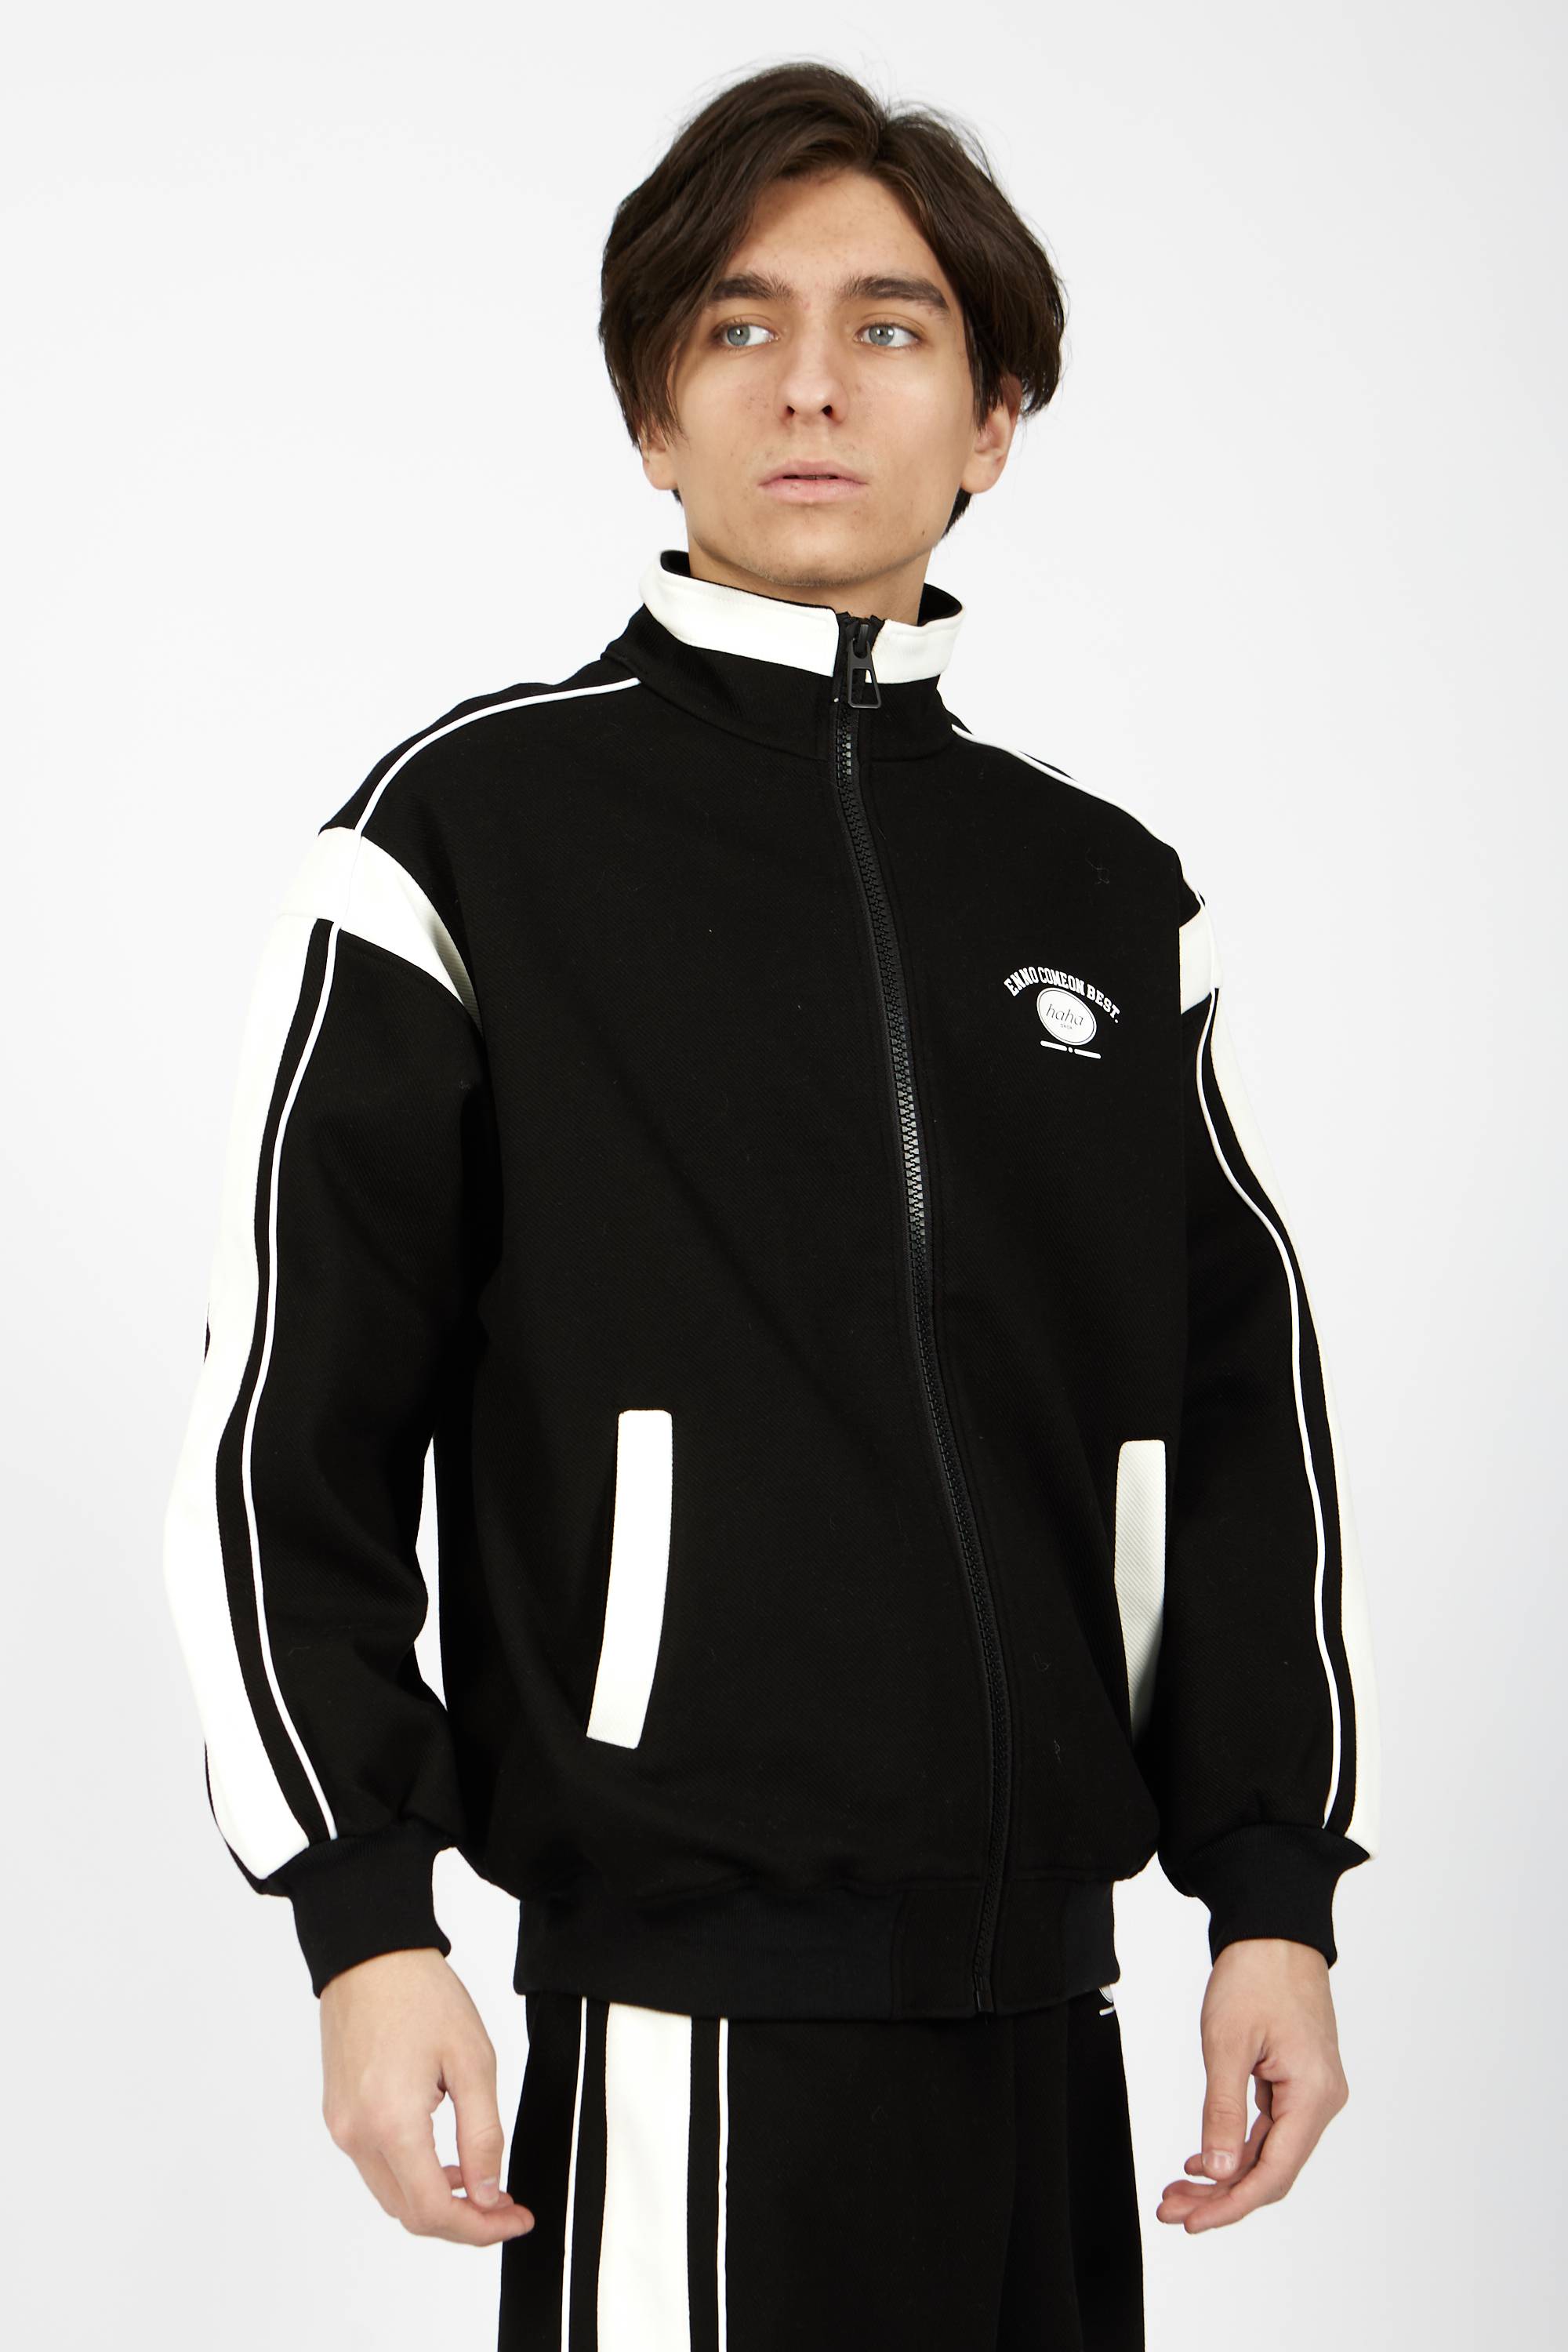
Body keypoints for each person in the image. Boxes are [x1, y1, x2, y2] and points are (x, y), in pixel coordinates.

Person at [161, 58, 1381, 2350]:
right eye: (739, 325)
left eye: (890, 327)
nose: (812, 383)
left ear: (993, 419)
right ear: (654, 412)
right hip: (687, 2018)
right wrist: (366, 1918)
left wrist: (1273, 1895)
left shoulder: (1103, 896)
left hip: (1049, 2013)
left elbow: (1240, 1432)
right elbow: (283, 1432)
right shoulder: (468, 842)